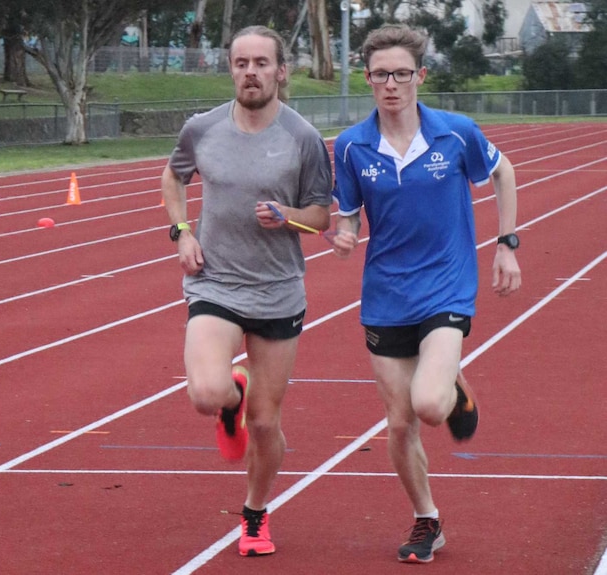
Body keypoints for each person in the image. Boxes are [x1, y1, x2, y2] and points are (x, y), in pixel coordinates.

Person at [329, 24, 522, 563]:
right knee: (398, 423)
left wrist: (506, 243)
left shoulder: (455, 133)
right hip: (386, 295)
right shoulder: (351, 146)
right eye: (381, 75)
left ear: (421, 76)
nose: (392, 84)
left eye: (403, 74)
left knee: (430, 405)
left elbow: (504, 171)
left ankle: (453, 383)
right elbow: (346, 215)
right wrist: (342, 234)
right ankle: (426, 520)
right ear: (367, 79)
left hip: (447, 288)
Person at [160, 25, 333, 557]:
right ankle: (230, 392)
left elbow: (321, 218)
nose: (250, 72)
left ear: (281, 71)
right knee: (205, 395)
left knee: (264, 422)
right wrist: (182, 231)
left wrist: (287, 219)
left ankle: (255, 513)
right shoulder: (202, 128)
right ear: (230, 69)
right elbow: (173, 178)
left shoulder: (302, 137)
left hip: (278, 289)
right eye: (241, 63)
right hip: (215, 281)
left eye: (261, 63)